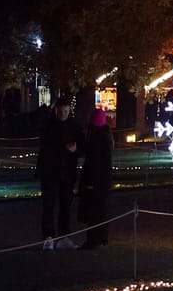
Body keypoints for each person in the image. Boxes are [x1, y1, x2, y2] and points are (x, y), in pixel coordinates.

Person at [38, 100, 82, 249]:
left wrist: (76, 149)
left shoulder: (74, 126)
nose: (63, 114)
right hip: (50, 172)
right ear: (56, 111)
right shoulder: (48, 126)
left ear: (69, 111)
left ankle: (64, 237)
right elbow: (43, 149)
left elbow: (83, 146)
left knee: (65, 206)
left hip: (67, 172)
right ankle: (48, 236)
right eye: (60, 112)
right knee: (48, 205)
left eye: (65, 112)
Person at [78, 106, 116, 248]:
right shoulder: (106, 137)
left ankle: (93, 240)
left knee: (93, 211)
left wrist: (90, 182)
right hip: (103, 181)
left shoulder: (96, 138)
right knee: (101, 209)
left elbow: (94, 162)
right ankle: (101, 237)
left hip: (94, 181)